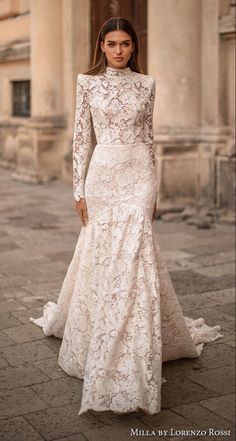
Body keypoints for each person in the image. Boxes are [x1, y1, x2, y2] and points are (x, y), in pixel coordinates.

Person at [30, 17, 223, 416]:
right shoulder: (87, 82)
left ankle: (133, 346)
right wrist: (78, 189)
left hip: (138, 175)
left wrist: (153, 188)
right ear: (101, 46)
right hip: (102, 176)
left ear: (134, 47)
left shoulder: (147, 84)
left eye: (125, 44)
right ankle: (99, 336)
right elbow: (82, 137)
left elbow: (149, 135)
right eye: (112, 44)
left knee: (134, 255)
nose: (119, 51)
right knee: (104, 254)